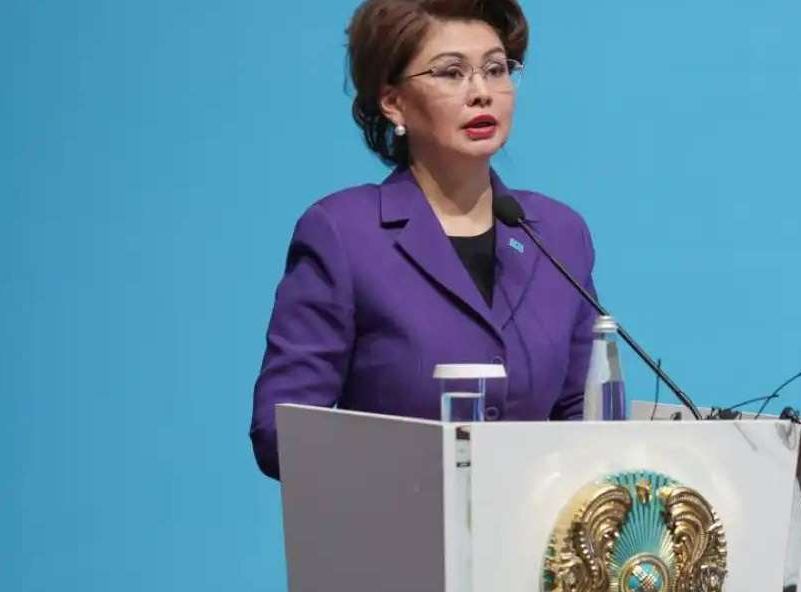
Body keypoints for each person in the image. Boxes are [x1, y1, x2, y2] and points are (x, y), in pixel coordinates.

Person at [249, 0, 598, 484]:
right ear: (393, 102)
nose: (482, 93)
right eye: (451, 73)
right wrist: (422, 470)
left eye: (495, 69)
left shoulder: (557, 234)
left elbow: (584, 412)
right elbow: (279, 431)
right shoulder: (344, 234)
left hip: (536, 550)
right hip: (396, 543)